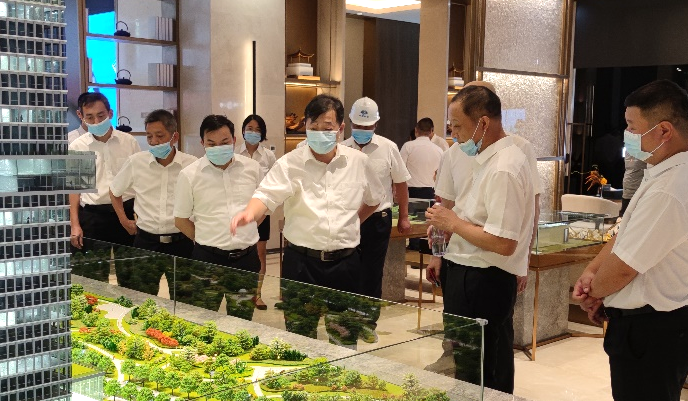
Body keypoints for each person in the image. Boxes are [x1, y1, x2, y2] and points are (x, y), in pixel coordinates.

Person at [231, 94, 384, 343]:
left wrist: (354, 221)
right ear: (305, 127)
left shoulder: (358, 162)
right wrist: (250, 212)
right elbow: (265, 195)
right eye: (314, 127)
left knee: (344, 340)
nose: (320, 133)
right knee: (300, 338)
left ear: (340, 128)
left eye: (327, 128)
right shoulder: (290, 163)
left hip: (345, 264)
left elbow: (375, 199)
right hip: (301, 264)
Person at [573, 80, 688, 401]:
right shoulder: (661, 173)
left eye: (632, 126)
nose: (627, 134)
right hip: (649, 326)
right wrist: (593, 272)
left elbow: (625, 266)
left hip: (651, 329)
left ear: (664, 131)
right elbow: (626, 234)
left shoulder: (670, 188)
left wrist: (594, 293)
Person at [425, 85, 535, 393]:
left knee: (485, 368)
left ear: (483, 123)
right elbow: (460, 211)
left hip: (484, 277)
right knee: (468, 363)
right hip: (464, 269)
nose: (454, 134)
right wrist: (444, 231)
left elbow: (504, 243)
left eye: (458, 126)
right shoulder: (482, 157)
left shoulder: (505, 167)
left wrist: (453, 223)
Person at [174, 115, 263, 319]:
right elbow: (180, 220)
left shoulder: (252, 168)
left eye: (224, 142)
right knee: (204, 319)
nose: (218, 148)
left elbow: (262, 209)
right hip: (207, 260)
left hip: (246, 260)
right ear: (202, 143)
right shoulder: (189, 175)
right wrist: (206, 239)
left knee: (242, 320)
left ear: (234, 140)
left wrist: (246, 232)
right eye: (211, 144)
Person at [109, 109, 197, 295]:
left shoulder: (192, 165)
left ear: (174, 137)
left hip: (182, 242)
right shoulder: (136, 162)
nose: (154, 141)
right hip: (146, 242)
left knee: (185, 298)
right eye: (149, 136)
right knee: (142, 297)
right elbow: (114, 191)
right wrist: (123, 220)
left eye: (160, 135)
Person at [342, 96, 411, 302]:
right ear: (350, 123)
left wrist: (404, 216)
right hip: (348, 218)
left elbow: (401, 183)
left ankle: (368, 316)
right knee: (348, 269)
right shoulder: (341, 148)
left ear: (376, 124)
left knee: (372, 272)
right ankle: (349, 314)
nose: (362, 129)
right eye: (358, 125)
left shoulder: (388, 147)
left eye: (367, 126)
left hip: (378, 220)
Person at [69, 92, 141, 252]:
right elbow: (74, 189)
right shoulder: (78, 146)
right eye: (90, 117)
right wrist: (75, 225)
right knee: (94, 264)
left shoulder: (128, 142)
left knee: (130, 262)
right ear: (81, 116)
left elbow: (140, 181)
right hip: (94, 216)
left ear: (110, 113)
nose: (96, 122)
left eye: (101, 116)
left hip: (127, 211)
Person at [236, 114, 277, 310]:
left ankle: (257, 294)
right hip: (239, 210)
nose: (253, 132)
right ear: (243, 130)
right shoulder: (235, 153)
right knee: (240, 252)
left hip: (261, 212)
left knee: (260, 253)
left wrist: (263, 213)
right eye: (250, 128)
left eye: (258, 129)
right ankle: (240, 291)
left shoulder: (269, 156)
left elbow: (274, 185)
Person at [400, 117, 444, 199]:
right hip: (430, 191)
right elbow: (441, 174)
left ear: (416, 130)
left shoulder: (408, 146)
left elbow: (400, 169)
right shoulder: (439, 150)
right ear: (431, 131)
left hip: (410, 190)